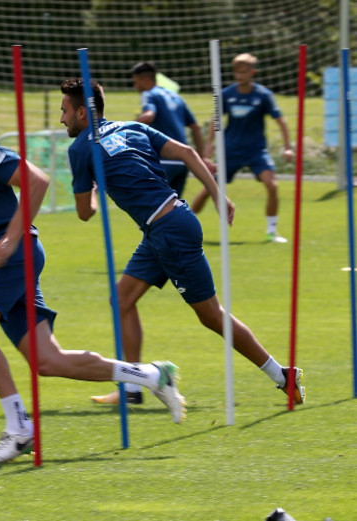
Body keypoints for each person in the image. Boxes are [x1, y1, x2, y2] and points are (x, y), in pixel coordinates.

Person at [0, 72, 186, 464]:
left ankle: (18, 428)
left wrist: (10, 240)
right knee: (49, 361)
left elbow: (37, 180)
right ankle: (151, 376)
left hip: (18, 252)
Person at [59, 77, 305, 408]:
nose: (61, 119)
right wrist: (219, 196)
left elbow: (85, 213)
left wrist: (89, 185)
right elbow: (188, 152)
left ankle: (283, 375)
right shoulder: (131, 127)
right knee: (121, 299)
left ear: (81, 113)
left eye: (64, 111)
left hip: (169, 232)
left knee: (212, 316)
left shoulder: (79, 149)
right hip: (169, 222)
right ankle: (132, 386)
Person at [189, 53, 293, 243]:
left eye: (243, 72)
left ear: (252, 72)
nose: (239, 76)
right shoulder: (226, 95)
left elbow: (281, 122)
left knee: (272, 185)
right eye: (237, 72)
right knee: (208, 190)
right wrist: (208, 148)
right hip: (230, 151)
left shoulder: (263, 95)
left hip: (256, 152)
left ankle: (271, 232)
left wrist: (288, 147)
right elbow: (216, 121)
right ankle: (184, 227)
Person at [130, 61, 212, 198]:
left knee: (152, 205)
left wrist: (124, 127)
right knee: (173, 210)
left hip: (164, 162)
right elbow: (195, 127)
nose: (135, 86)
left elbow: (149, 116)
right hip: (183, 163)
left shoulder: (148, 94)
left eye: (136, 82)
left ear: (145, 79)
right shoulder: (176, 97)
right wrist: (201, 157)